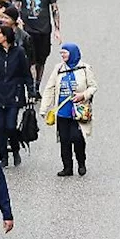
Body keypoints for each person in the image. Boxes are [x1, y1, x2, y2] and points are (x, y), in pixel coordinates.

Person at [40, 43, 97, 177]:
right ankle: (67, 167)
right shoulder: (58, 69)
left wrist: (83, 95)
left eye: (65, 53)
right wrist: (44, 108)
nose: (62, 56)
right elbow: (50, 88)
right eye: (61, 53)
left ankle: (81, 163)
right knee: (64, 140)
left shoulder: (85, 69)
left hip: (79, 111)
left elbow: (93, 87)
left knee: (77, 138)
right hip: (62, 111)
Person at [0, 25, 35, 167]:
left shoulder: (19, 52)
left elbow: (26, 73)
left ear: (6, 36)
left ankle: (15, 148)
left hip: (15, 93)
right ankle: (3, 157)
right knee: (0, 127)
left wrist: (31, 91)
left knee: (10, 126)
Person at [13, 0, 60, 87]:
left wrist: (57, 29)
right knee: (28, 60)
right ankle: (30, 86)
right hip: (27, 30)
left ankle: (37, 84)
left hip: (43, 29)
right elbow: (16, 6)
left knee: (41, 59)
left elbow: (54, 8)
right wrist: (17, 21)